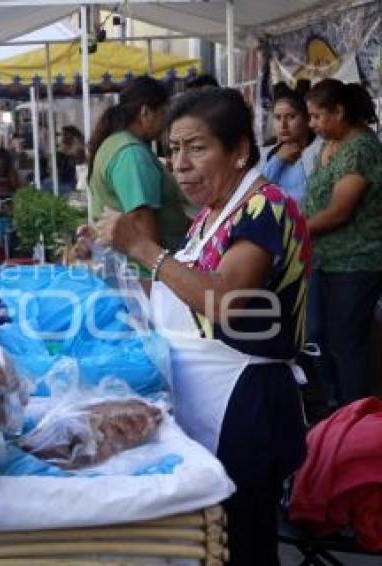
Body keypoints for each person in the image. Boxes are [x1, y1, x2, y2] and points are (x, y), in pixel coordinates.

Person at [86, 87, 309, 564]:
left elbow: (224, 300)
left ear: (240, 150)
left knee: (244, 547)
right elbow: (180, 288)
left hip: (248, 404)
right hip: (207, 399)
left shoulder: (264, 208)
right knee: (214, 542)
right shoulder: (210, 215)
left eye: (197, 147)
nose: (180, 164)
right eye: (173, 149)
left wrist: (143, 248)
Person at [303, 78, 382, 407]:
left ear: (340, 111)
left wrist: (293, 230)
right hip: (324, 260)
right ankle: (335, 405)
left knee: (346, 343)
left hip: (355, 262)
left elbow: (338, 212)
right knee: (318, 336)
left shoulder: (361, 146)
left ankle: (356, 415)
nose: (312, 124)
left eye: (318, 116)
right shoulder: (329, 143)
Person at [87, 75, 189, 277]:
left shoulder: (115, 144)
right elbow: (141, 218)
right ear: (145, 112)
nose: (165, 122)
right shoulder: (131, 154)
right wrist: (160, 276)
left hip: (130, 270)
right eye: (163, 113)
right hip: (144, 274)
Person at [259, 81, 321, 208]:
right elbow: (254, 196)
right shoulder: (265, 155)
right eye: (277, 117)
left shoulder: (320, 149)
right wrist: (277, 160)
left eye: (291, 117)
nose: (283, 125)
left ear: (306, 119)